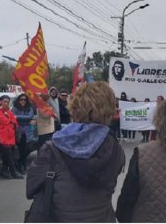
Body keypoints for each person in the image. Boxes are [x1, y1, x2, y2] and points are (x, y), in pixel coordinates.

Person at [26, 82, 125, 222]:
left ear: (75, 106)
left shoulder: (53, 147)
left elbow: (32, 187)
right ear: (109, 108)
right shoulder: (115, 148)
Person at [0, 95, 23, 179]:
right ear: (0, 102)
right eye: (4, 102)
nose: (6, 104)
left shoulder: (8, 111)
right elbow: (4, 121)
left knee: (10, 153)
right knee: (8, 153)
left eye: (7, 102)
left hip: (9, 136)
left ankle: (5, 171)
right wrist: (10, 122)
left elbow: (14, 121)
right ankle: (13, 172)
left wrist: (10, 122)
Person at [11, 94, 36, 174]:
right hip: (19, 130)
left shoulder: (29, 108)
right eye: (21, 99)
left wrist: (18, 117)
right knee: (21, 147)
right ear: (18, 100)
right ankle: (22, 165)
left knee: (28, 147)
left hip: (28, 129)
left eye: (24, 99)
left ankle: (19, 162)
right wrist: (26, 119)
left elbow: (30, 116)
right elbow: (13, 117)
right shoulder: (15, 108)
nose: (23, 101)